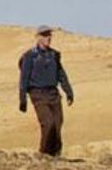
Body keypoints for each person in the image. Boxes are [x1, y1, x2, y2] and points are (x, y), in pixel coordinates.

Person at [16, 26, 71, 155]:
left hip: (53, 93)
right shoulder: (30, 56)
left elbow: (61, 74)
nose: (48, 38)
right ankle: (44, 153)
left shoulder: (54, 55)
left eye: (49, 35)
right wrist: (22, 98)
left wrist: (68, 91)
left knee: (57, 123)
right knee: (48, 122)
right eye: (45, 35)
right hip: (38, 94)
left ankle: (55, 154)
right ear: (38, 37)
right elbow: (24, 78)